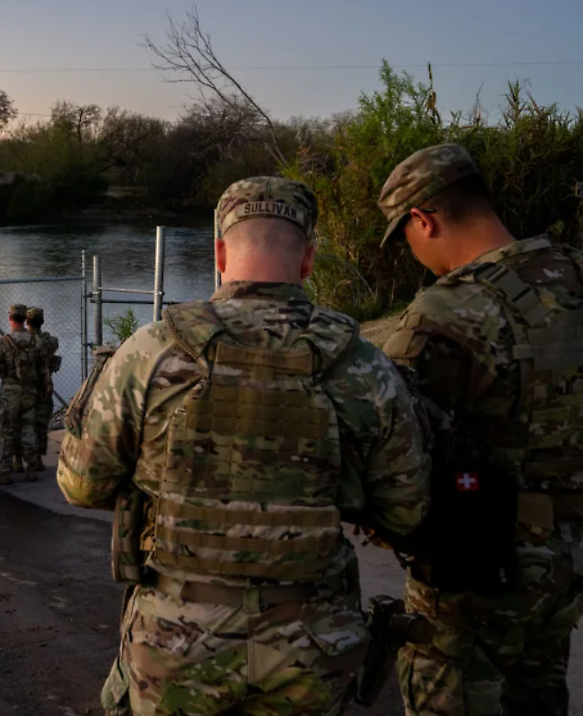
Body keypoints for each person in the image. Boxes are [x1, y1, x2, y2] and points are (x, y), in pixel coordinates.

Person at [58, 177, 431, 716]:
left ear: (219, 252)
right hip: (311, 647)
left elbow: (80, 484)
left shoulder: (152, 351)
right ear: (308, 259)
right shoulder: (363, 364)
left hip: (175, 644)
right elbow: (406, 510)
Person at [378, 144, 583, 716]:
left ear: (425, 220)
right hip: (566, 567)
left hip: (474, 569)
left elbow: (394, 455)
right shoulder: (575, 274)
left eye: (408, 238)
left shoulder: (447, 311)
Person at [0, 304, 45, 485]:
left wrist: (4, 374)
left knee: (6, 430)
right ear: (25, 319)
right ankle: (32, 468)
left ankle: (4, 472)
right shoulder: (36, 341)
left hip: (10, 391)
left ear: (10, 317)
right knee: (28, 428)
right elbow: (43, 368)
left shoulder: (3, 341)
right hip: (30, 390)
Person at [25, 306, 60, 471]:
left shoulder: (20, 340)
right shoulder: (50, 342)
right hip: (44, 385)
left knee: (23, 422)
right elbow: (54, 344)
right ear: (42, 322)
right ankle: (37, 458)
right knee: (41, 423)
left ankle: (20, 459)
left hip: (24, 386)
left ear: (27, 321)